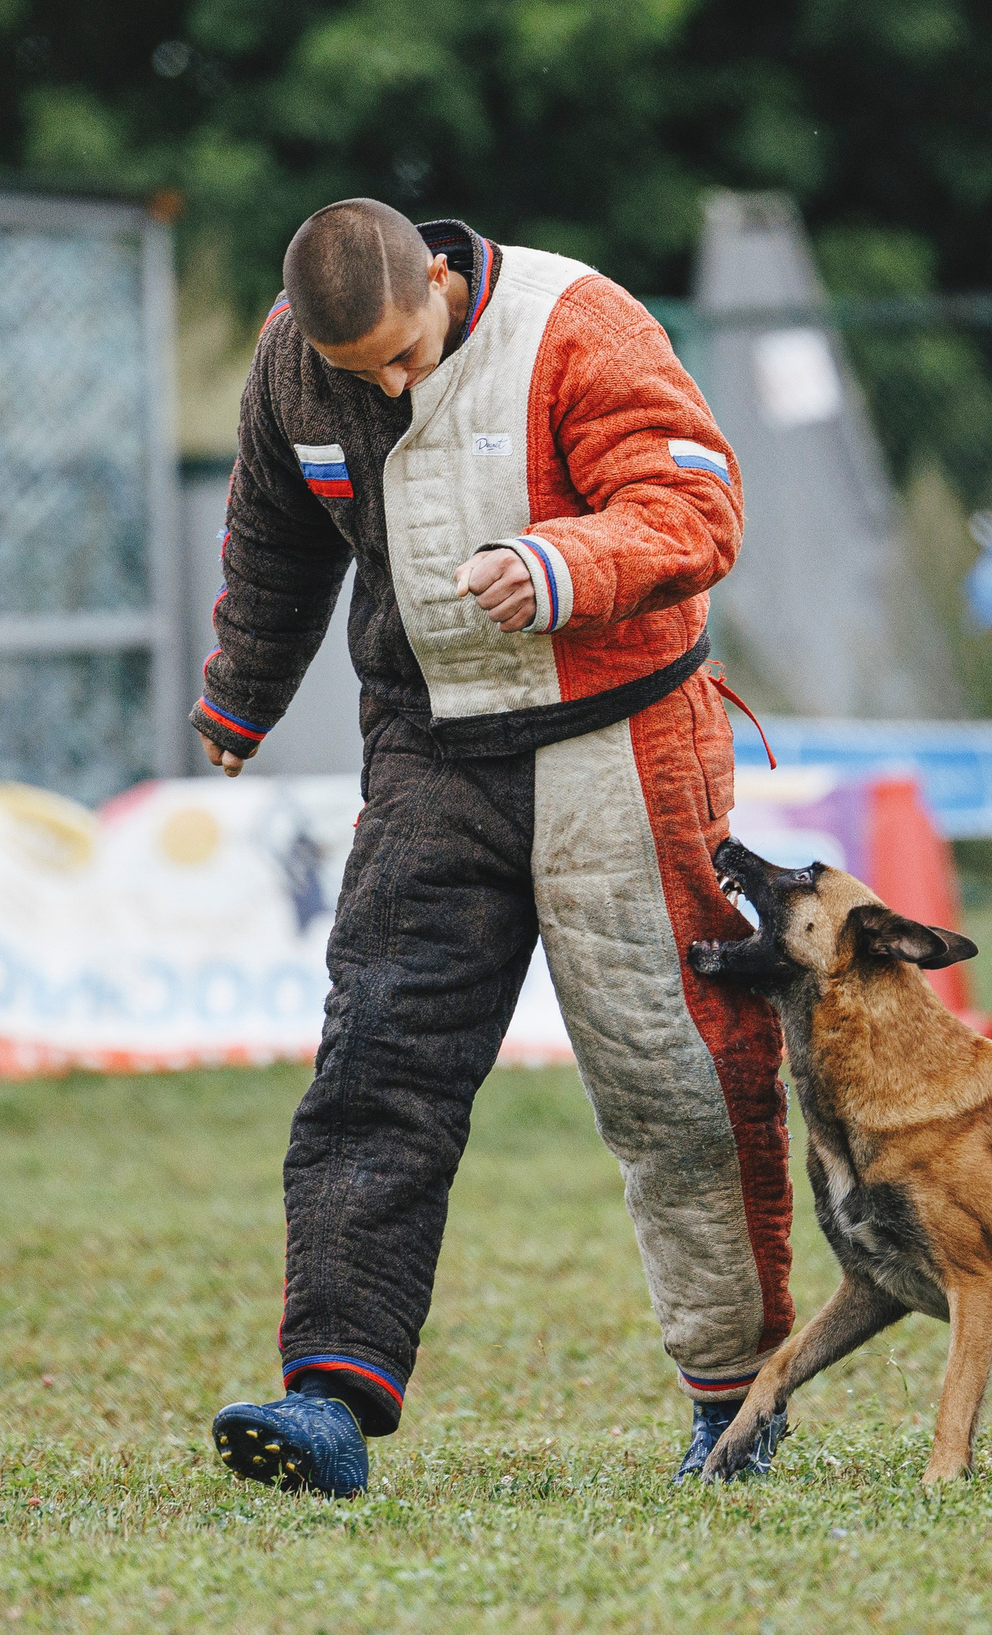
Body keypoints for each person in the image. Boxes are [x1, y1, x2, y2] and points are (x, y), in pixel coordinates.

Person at [193, 199, 791, 1497]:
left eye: (408, 357)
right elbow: (276, 536)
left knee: (676, 1073)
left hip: (621, 735)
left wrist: (564, 560)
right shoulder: (296, 363)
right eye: (365, 377)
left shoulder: (579, 325)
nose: (394, 390)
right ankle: (330, 1400)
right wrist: (241, 695)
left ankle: (735, 1398)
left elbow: (697, 504)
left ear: (441, 280)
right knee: (378, 1060)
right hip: (428, 747)